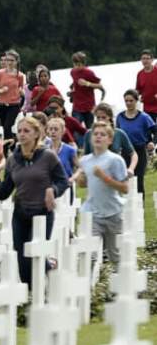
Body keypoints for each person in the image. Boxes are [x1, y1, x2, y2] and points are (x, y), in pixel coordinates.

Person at [0, 117, 68, 286]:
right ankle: (30, 295)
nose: (22, 134)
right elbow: (5, 191)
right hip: (21, 214)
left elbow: (63, 181)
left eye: (26, 131)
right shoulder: (12, 160)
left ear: (37, 134)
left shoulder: (48, 156)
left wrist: (53, 190)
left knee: (34, 255)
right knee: (22, 260)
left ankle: (48, 269)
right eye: (20, 131)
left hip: (42, 214)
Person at [71, 122, 129, 264]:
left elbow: (125, 188)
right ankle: (86, 286)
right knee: (88, 256)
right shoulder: (85, 160)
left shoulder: (115, 160)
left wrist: (105, 177)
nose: (98, 137)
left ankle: (122, 284)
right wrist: (81, 180)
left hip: (113, 213)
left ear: (110, 140)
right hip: (92, 213)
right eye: (95, 134)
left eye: (102, 135)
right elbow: (83, 184)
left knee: (115, 255)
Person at [116, 90, 156, 194]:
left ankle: (140, 208)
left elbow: (155, 131)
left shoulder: (144, 117)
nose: (128, 103)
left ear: (136, 101)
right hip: (125, 152)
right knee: (125, 181)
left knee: (138, 181)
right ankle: (127, 208)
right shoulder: (120, 117)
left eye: (131, 100)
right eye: (126, 101)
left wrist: (152, 142)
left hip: (140, 151)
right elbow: (117, 134)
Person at [81, 103, 137, 174]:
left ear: (109, 117)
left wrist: (131, 169)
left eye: (103, 117)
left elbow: (133, 154)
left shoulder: (119, 133)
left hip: (115, 173)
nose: (100, 120)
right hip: (96, 173)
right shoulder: (89, 134)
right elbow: (85, 156)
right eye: (98, 117)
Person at [0, 51, 25, 142]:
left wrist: (21, 92)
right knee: (3, 128)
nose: (9, 62)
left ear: (16, 62)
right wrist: (0, 90)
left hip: (14, 104)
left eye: (12, 60)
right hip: (1, 104)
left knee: (7, 126)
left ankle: (9, 147)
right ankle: (13, 143)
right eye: (7, 60)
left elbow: (21, 88)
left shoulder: (20, 75)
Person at [69, 51, 104, 129]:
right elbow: (75, 83)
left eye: (79, 64)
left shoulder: (89, 73)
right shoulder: (72, 72)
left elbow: (100, 86)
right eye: (75, 64)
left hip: (89, 106)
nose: (77, 67)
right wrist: (72, 91)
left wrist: (87, 84)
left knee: (90, 129)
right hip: (77, 106)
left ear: (83, 63)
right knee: (75, 128)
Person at [46, 118, 78, 203]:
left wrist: (72, 178)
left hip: (65, 187)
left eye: (56, 129)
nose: (53, 132)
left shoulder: (70, 150)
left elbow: (79, 168)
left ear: (63, 131)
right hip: (47, 188)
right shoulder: (43, 149)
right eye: (51, 129)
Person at [136, 49, 157, 121]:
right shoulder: (140, 74)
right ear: (141, 60)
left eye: (147, 58)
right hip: (146, 108)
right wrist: (136, 97)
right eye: (143, 59)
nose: (145, 61)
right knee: (149, 131)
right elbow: (138, 90)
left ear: (152, 60)